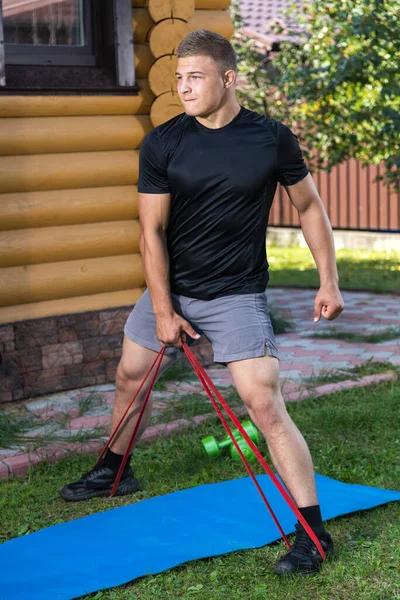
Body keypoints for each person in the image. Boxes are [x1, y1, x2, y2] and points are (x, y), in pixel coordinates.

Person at [59, 29, 344, 575]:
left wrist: (327, 280)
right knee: (129, 373)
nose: (184, 89)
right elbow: (152, 233)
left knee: (263, 402)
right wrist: (164, 310)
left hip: (237, 292)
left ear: (228, 78)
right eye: (179, 79)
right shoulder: (164, 142)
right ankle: (116, 469)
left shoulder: (271, 138)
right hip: (173, 286)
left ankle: (312, 532)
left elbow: (309, 206)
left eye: (195, 78)